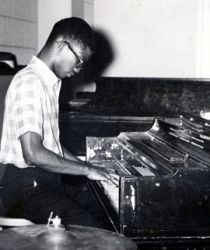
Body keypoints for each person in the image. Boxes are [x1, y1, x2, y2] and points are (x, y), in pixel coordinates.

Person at [0, 17, 118, 228]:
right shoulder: (30, 82)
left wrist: (87, 166)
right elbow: (33, 154)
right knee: (88, 229)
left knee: (104, 210)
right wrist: (85, 170)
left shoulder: (49, 83)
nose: (79, 69)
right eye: (79, 60)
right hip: (25, 188)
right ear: (62, 46)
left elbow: (51, 146)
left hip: (45, 180)